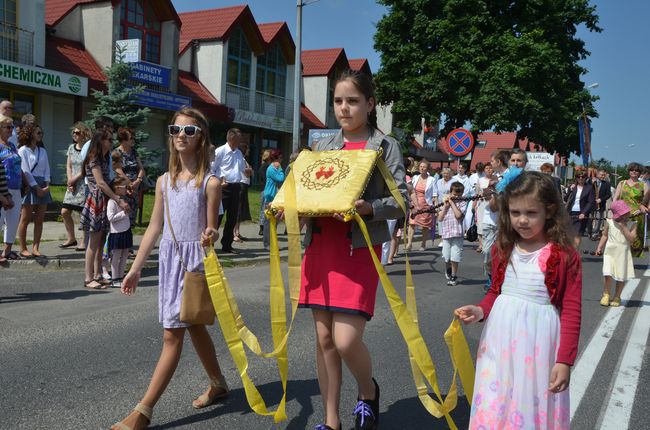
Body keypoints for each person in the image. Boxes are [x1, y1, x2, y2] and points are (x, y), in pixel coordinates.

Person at [296, 69, 407, 430]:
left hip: (357, 250)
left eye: (353, 101)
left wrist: (369, 208)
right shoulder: (323, 147)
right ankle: (330, 420)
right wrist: (290, 203)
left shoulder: (385, 145)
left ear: (370, 104)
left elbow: (400, 199)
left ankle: (367, 390)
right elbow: (308, 190)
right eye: (339, 101)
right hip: (321, 247)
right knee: (324, 338)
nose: (344, 108)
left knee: (345, 340)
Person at [113, 107, 227, 430]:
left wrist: (212, 233)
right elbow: (153, 228)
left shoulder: (210, 182)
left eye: (188, 131)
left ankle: (143, 411)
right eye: (175, 130)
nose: (180, 135)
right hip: (169, 261)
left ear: (201, 137)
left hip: (192, 265)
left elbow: (212, 228)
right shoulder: (164, 182)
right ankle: (218, 383)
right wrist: (136, 268)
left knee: (171, 335)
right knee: (193, 325)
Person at [455, 171, 581, 429]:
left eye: (531, 213)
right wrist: (479, 311)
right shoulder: (503, 248)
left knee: (530, 403)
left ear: (550, 210)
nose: (522, 220)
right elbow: (496, 292)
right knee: (496, 398)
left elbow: (571, 310)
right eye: (515, 213)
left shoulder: (563, 255)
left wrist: (564, 360)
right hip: (499, 340)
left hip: (538, 343)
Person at [80, 130, 129, 290]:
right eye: (109, 139)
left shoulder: (105, 157)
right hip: (97, 200)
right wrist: (117, 199)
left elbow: (108, 181)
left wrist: (122, 185)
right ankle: (88, 278)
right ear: (100, 141)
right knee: (93, 242)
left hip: (105, 199)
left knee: (101, 241)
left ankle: (98, 274)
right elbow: (100, 183)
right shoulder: (94, 158)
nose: (112, 142)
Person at [210, 128, 252, 253]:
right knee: (217, 217)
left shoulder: (239, 153)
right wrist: (217, 182)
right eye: (239, 138)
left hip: (236, 187)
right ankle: (209, 245)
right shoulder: (220, 151)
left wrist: (247, 172)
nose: (241, 141)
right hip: (223, 188)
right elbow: (211, 168)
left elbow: (242, 169)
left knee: (232, 218)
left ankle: (227, 245)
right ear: (231, 138)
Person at [17, 123, 51, 258]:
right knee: (25, 218)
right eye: (38, 133)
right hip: (30, 185)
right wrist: (36, 187)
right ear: (31, 134)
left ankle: (36, 247)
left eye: (41, 133)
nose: (40, 135)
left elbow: (47, 169)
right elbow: (25, 170)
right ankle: (23, 248)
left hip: (43, 184)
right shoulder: (23, 150)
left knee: (39, 219)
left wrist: (47, 185)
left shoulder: (42, 151)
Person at [595, 200, 636, 307]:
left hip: (623, 254)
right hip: (610, 252)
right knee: (607, 273)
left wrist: (624, 227)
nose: (623, 217)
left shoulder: (632, 224)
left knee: (620, 276)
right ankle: (606, 294)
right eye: (621, 215)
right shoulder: (609, 222)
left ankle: (617, 296)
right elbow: (605, 235)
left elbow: (631, 239)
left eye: (625, 214)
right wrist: (599, 247)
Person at [60, 122, 91, 250]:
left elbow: (86, 168)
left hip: (83, 183)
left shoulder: (88, 148)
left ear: (84, 134)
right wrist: (70, 180)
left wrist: (74, 179)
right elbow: (69, 165)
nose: (74, 134)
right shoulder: (71, 148)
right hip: (72, 183)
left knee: (83, 213)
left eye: (77, 132)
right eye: (73, 132)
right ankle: (71, 238)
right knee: (65, 211)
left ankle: (84, 241)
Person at [612, 162, 649, 257]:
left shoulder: (643, 185)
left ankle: (629, 260)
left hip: (637, 215)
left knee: (634, 239)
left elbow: (648, 201)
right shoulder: (622, 183)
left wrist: (643, 209)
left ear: (640, 173)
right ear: (629, 171)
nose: (634, 172)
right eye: (632, 170)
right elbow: (615, 199)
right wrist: (612, 210)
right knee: (621, 238)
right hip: (622, 215)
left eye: (637, 170)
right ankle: (622, 258)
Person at [113, 127, 146, 226]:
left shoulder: (134, 152)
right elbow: (118, 170)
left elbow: (141, 169)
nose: (133, 140)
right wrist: (129, 183)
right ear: (123, 140)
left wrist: (138, 181)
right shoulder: (116, 152)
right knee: (121, 218)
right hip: (122, 189)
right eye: (131, 138)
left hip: (134, 189)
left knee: (131, 219)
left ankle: (128, 240)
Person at [0, 114, 22, 261]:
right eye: (7, 127)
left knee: (13, 221)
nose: (10, 130)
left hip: (16, 187)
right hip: (2, 188)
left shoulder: (13, 146)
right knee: (0, 220)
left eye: (12, 127)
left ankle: (7, 251)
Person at [437, 181, 466, 286]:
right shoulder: (445, 202)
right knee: (446, 256)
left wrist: (453, 203)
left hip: (457, 234)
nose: (456, 196)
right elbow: (440, 218)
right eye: (454, 194)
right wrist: (445, 206)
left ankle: (454, 276)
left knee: (455, 256)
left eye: (458, 195)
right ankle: (448, 268)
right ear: (450, 192)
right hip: (446, 233)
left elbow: (458, 216)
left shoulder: (462, 203)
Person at [106, 175, 133, 288]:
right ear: (117, 188)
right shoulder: (112, 201)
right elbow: (110, 218)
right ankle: (115, 278)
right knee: (116, 256)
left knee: (125, 254)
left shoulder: (123, 200)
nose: (126, 189)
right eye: (124, 187)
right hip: (117, 233)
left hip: (126, 231)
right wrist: (124, 213)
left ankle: (121, 277)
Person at [406, 159, 436, 251]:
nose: (422, 168)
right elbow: (411, 190)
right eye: (421, 166)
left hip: (426, 204)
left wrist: (436, 206)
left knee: (425, 225)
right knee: (412, 223)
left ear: (427, 169)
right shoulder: (415, 178)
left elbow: (434, 194)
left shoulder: (432, 179)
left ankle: (423, 244)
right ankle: (409, 243)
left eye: (424, 167)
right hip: (415, 203)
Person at [565, 166, 595, 250]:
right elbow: (566, 199)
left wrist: (584, 213)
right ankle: (573, 252)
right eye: (578, 176)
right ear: (576, 178)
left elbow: (590, 202)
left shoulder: (589, 188)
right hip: (570, 213)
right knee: (570, 234)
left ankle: (574, 253)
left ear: (586, 177)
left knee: (577, 234)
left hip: (581, 214)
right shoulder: (573, 187)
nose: (580, 178)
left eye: (583, 176)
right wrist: (570, 190)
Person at [262, 149, 284, 250]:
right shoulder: (271, 168)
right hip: (270, 197)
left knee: (275, 221)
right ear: (277, 158)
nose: (282, 160)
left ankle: (272, 242)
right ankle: (267, 244)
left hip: (275, 197)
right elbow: (280, 178)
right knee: (268, 221)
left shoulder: (274, 168)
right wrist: (280, 169)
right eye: (281, 158)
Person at [234, 142, 252, 243]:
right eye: (247, 149)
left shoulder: (244, 159)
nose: (248, 151)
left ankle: (237, 232)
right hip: (241, 185)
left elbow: (249, 172)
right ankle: (234, 233)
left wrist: (249, 170)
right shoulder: (240, 159)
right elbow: (247, 172)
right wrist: (250, 170)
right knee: (238, 210)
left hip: (244, 185)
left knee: (241, 210)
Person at [475, 163, 495, 253]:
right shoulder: (480, 180)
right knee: (480, 223)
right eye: (486, 168)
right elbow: (477, 192)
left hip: (493, 203)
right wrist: (474, 205)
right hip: (482, 203)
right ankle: (481, 244)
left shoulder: (497, 179)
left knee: (492, 223)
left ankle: (491, 243)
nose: (488, 170)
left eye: (490, 168)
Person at [588, 168, 612, 240]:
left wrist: (601, 199)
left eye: (604, 175)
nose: (603, 176)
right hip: (591, 204)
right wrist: (591, 183)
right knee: (590, 218)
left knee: (598, 220)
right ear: (597, 174)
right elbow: (587, 188)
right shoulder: (591, 181)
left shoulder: (607, 184)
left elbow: (608, 194)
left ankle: (596, 233)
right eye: (601, 175)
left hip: (600, 205)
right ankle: (590, 232)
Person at [257, 149, 271, 236]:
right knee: (264, 208)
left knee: (264, 208)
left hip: (263, 189)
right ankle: (262, 228)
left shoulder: (263, 166)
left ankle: (263, 227)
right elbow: (265, 179)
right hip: (265, 189)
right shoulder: (265, 167)